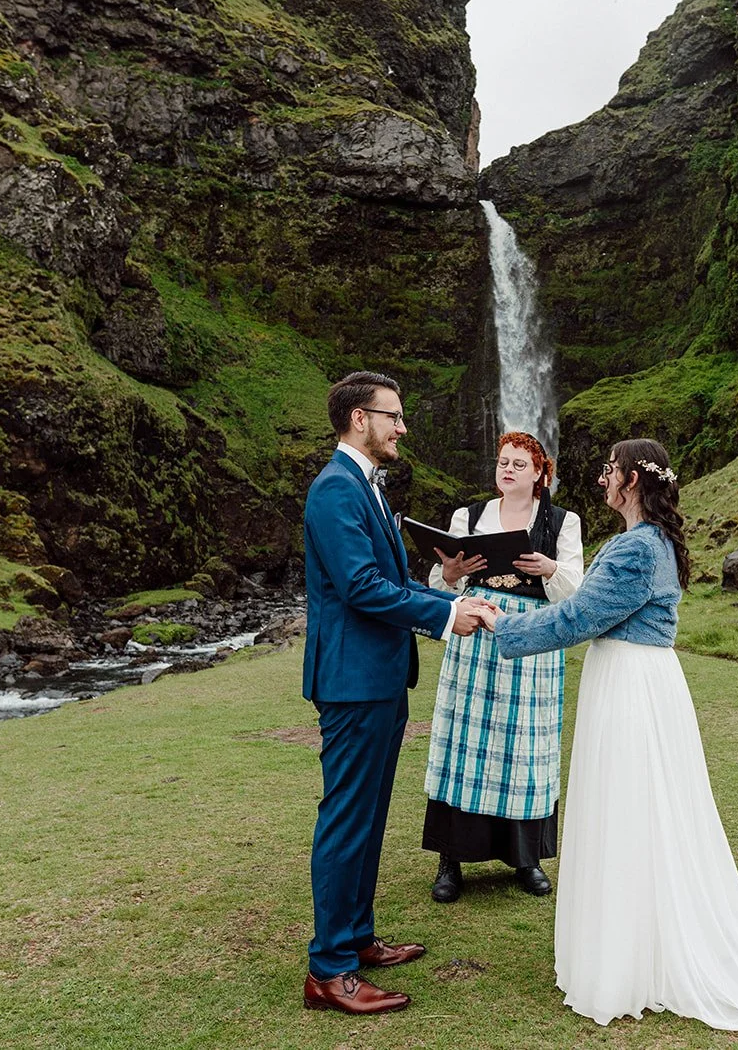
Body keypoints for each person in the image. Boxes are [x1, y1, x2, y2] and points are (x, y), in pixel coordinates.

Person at [485, 438, 738, 1031]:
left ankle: (636, 959)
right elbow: (589, 607)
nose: (602, 478)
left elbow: (580, 618)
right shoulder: (639, 542)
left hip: (632, 687)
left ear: (631, 480)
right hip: (631, 678)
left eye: (609, 470)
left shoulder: (635, 550)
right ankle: (634, 942)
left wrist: (502, 627)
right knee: (634, 810)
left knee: (632, 809)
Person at [299, 371, 498, 1016]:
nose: (403, 428)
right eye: (394, 416)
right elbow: (360, 588)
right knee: (348, 819)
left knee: (369, 816)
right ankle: (329, 970)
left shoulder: (366, 486)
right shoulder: (335, 490)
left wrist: (448, 595)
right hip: (354, 683)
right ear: (360, 418)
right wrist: (444, 617)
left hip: (379, 679)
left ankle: (356, 940)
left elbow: (389, 579)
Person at [422, 431, 584, 902]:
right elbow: (442, 582)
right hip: (474, 632)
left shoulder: (562, 521)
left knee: (526, 743)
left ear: (539, 472)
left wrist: (549, 570)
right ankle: (451, 859)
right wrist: (450, 575)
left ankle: (526, 857)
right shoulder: (466, 517)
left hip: (534, 636)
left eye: (518, 463)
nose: (507, 470)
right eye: (502, 462)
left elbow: (576, 589)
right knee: (465, 740)